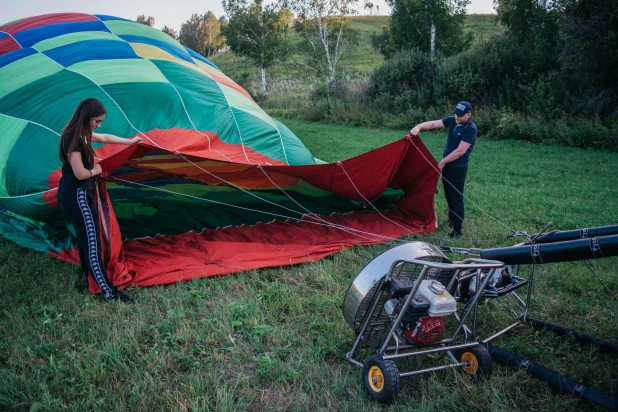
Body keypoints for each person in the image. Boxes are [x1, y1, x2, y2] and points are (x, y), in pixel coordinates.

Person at [57, 98, 142, 302]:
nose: (99, 125)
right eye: (97, 121)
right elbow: (80, 173)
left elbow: (104, 137)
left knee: (87, 240)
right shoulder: (74, 139)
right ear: (87, 117)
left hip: (75, 196)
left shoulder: (82, 134)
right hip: (77, 197)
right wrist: (95, 170)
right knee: (92, 244)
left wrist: (130, 142)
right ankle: (108, 291)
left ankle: (90, 276)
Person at [410, 101, 477, 238]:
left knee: (456, 197)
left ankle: (457, 230)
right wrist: (418, 127)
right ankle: (451, 219)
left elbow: (460, 151)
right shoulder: (452, 121)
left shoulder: (470, 129)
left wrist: (442, 162)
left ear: (468, 115)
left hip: (458, 168)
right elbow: (433, 124)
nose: (456, 117)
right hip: (448, 166)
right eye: (456, 114)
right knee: (448, 194)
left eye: (460, 115)